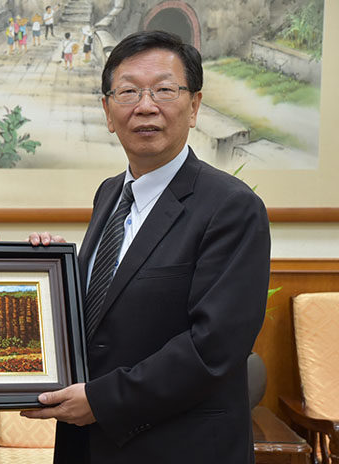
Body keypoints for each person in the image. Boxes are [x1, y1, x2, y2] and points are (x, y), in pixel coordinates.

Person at [23, 30, 271, 463]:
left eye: (164, 90)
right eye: (128, 92)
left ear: (194, 106)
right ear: (107, 110)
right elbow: (108, 312)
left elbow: (213, 347)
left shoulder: (231, 206)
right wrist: (49, 270)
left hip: (179, 447)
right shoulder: (110, 193)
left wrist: (101, 400)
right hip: (90, 444)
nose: (145, 106)